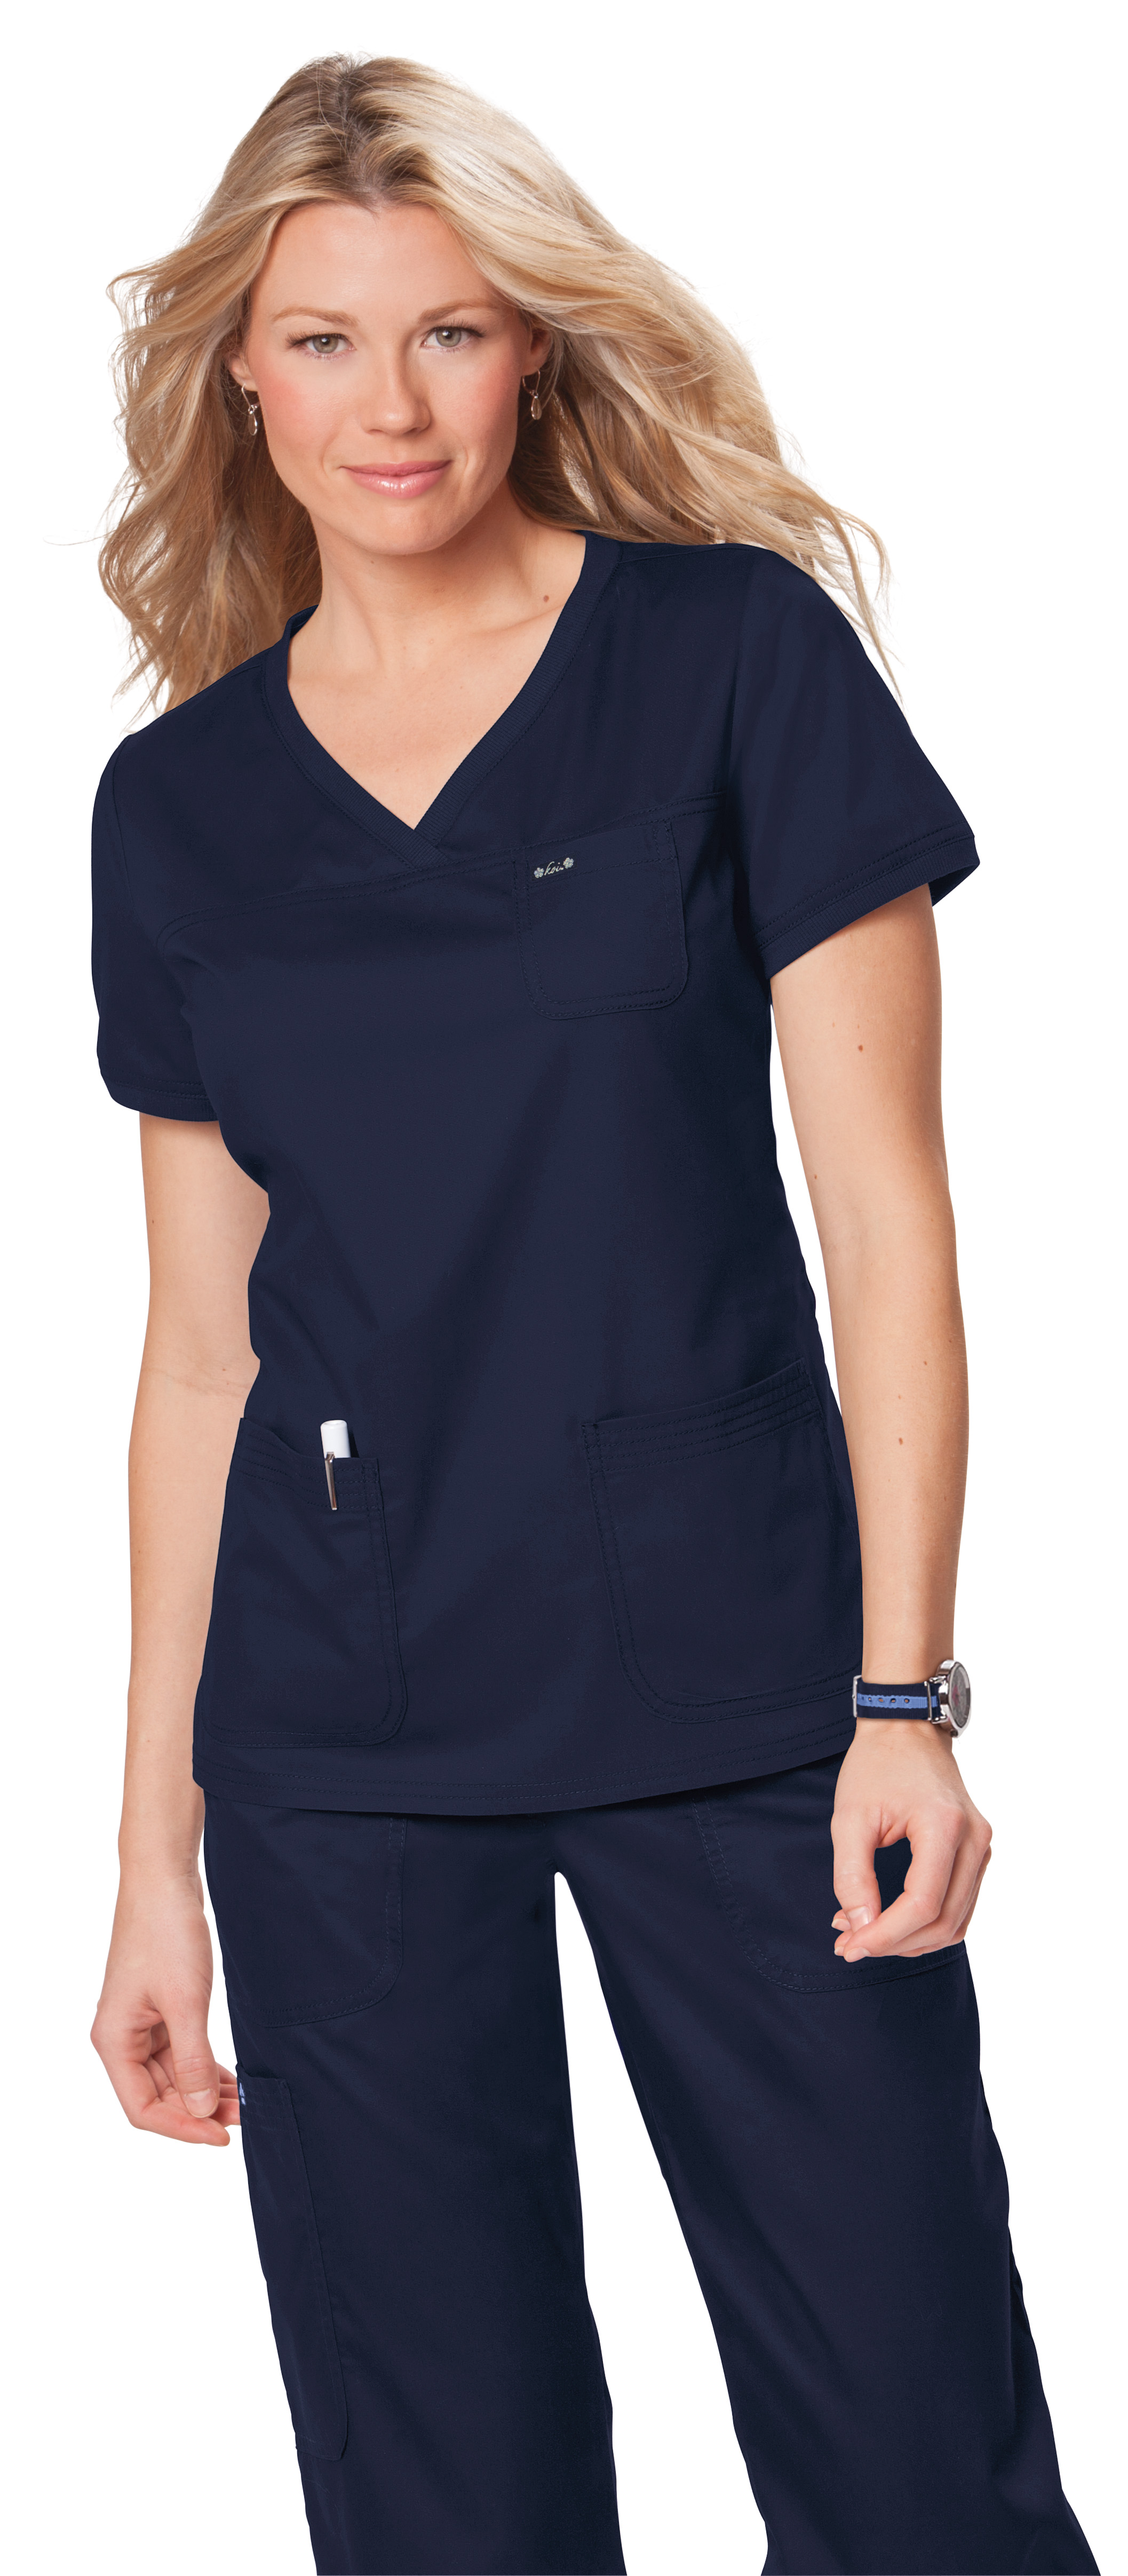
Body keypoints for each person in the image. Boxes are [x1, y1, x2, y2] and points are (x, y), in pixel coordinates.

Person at [88, 53, 1096, 2576]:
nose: (392, 405)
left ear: (534, 345)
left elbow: (890, 1227)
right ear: (240, 373)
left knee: (918, 2471)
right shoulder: (180, 808)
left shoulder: (731, 659)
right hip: (340, 1729)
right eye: (323, 340)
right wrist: (149, 1857)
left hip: (740, 1687)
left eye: (449, 331)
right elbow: (202, 1353)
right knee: (443, 2515)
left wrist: (904, 1694)